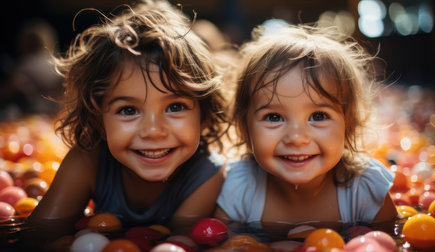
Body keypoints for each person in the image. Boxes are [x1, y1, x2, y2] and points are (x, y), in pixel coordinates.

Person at [25, 0, 228, 247]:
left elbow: (179, 243)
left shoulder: (208, 175)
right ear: (98, 120)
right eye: (128, 110)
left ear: (204, 117)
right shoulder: (88, 161)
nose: (153, 131)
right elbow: (38, 235)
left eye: (175, 107)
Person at [215, 23, 398, 230]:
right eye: (274, 117)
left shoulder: (364, 189)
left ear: (349, 125)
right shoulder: (239, 188)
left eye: (318, 116)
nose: (296, 137)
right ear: (244, 128)